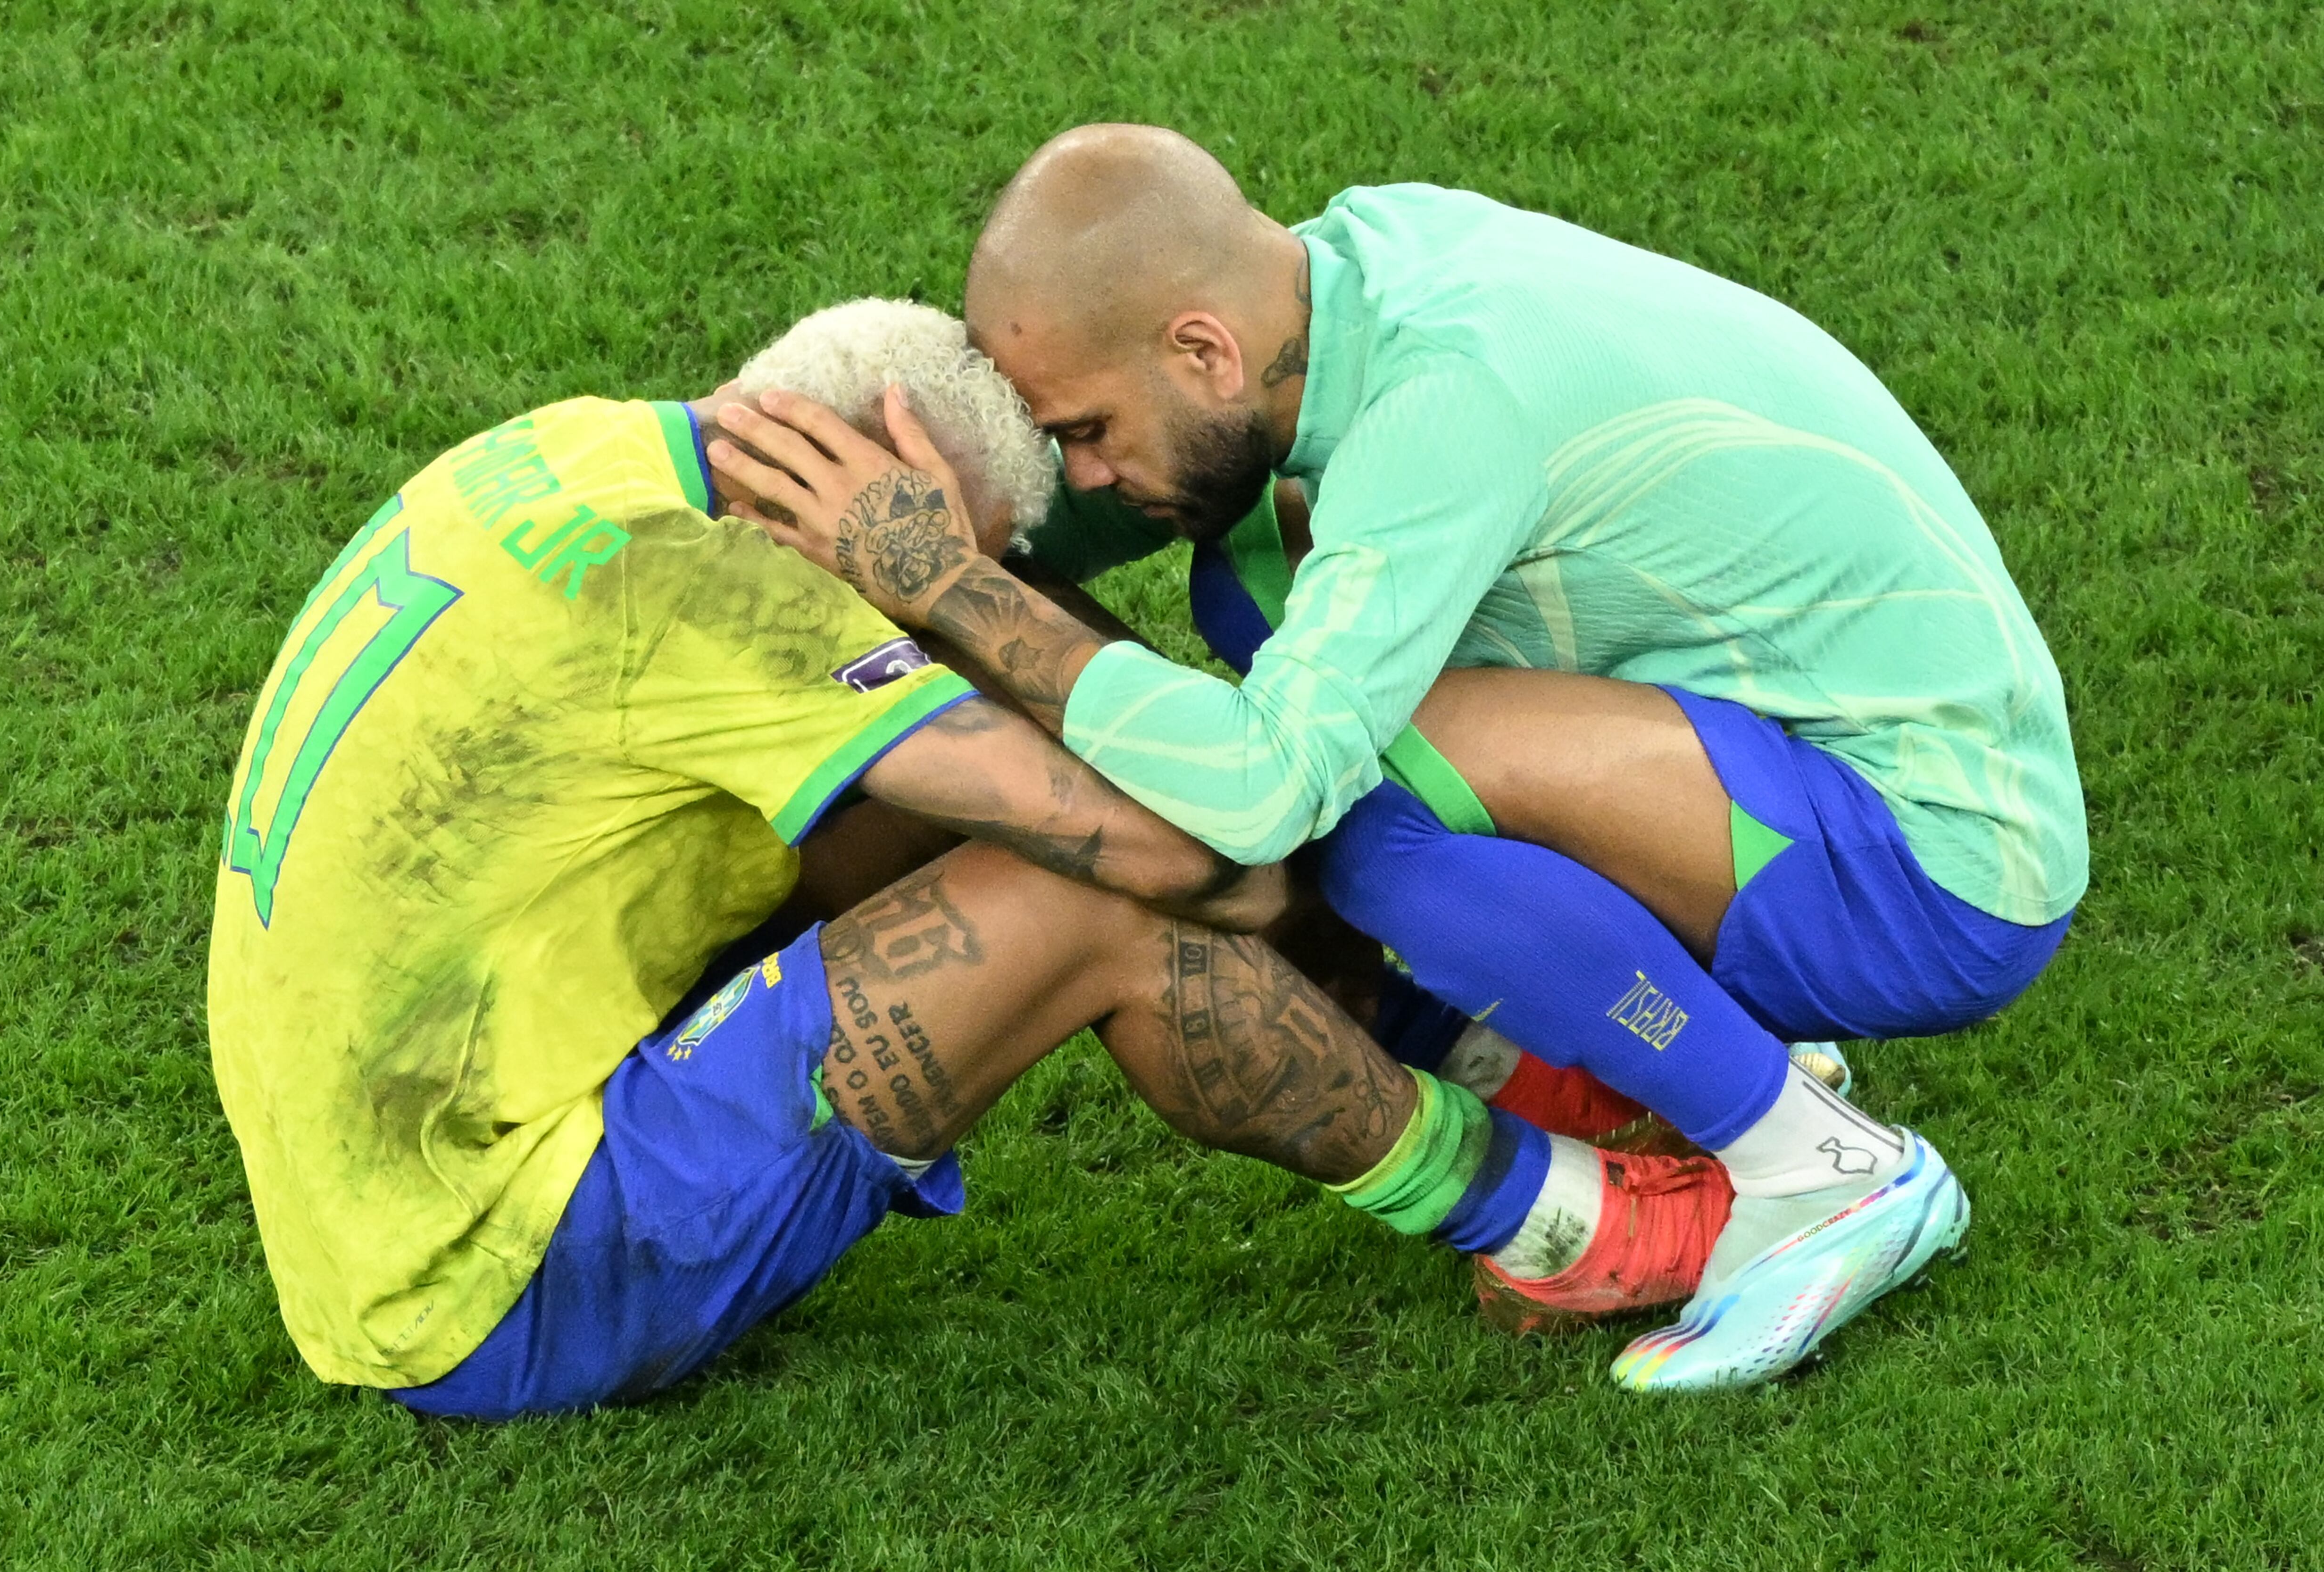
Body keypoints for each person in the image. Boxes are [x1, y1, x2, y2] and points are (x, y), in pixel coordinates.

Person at [713, 126, 2087, 1391]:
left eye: (1083, 432)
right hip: (1788, 772)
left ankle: (1823, 1167)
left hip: (1935, 876)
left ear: (1202, 351)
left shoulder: (1445, 406)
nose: (1078, 476)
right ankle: (1639, 1068)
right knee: (1255, 581)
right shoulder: (1336, 286)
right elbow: (1141, 518)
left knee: (1361, 802)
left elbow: (1263, 790)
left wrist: (947, 584)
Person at [207, 300, 1723, 1422]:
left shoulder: (581, 454)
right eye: (929, 552)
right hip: (489, 1281)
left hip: (395, 1175)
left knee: (1014, 685)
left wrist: (961, 594)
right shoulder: (721, 602)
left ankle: (1481, 1056)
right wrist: (940, 588)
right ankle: (1567, 1226)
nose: (943, 588)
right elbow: (1223, 872)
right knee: (1101, 890)